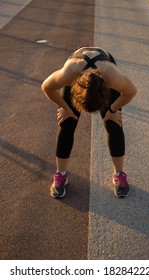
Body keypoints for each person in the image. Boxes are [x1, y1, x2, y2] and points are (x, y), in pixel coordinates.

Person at [41, 46, 137, 198]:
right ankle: (61, 174)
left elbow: (131, 92)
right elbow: (46, 87)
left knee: (114, 124)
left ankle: (119, 174)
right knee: (66, 123)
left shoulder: (112, 77)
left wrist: (112, 110)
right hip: (77, 67)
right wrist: (66, 108)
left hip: (103, 68)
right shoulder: (68, 74)